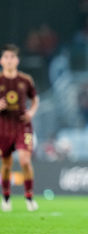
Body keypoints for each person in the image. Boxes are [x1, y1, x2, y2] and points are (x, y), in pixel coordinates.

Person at [0, 44, 39, 212]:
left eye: (12, 57)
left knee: (25, 161)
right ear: (2, 60)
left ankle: (29, 197)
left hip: (23, 125)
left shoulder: (25, 80)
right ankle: (7, 196)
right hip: (3, 127)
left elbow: (35, 98)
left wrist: (31, 112)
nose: (9, 60)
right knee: (6, 164)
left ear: (17, 60)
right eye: (6, 57)